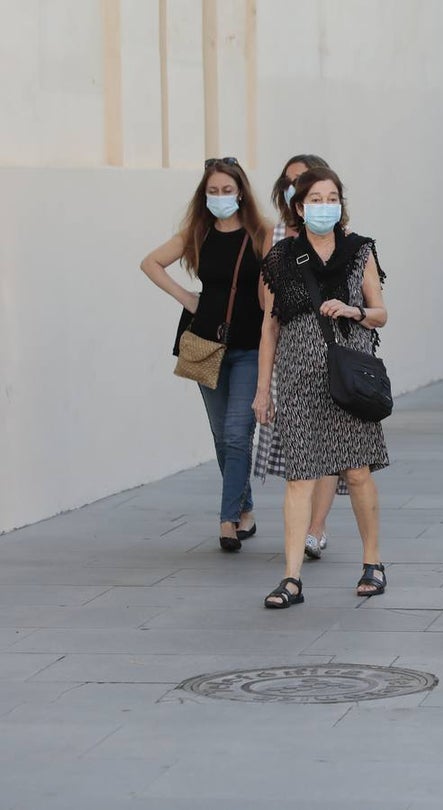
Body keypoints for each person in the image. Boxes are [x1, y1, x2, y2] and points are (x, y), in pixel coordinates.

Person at [254, 166, 390, 608]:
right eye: (315, 199)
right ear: (299, 206)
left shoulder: (360, 251)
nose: (324, 206)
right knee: (300, 477)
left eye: (332, 198)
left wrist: (353, 311)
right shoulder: (280, 258)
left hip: (349, 376)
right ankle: (291, 578)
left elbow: (380, 313)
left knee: (356, 469)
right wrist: (263, 390)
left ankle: (373, 562)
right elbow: (269, 329)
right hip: (297, 377)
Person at [141, 157, 268, 552]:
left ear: (241, 192)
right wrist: (187, 298)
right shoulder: (198, 233)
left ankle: (228, 519)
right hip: (205, 344)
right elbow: (151, 263)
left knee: (237, 433)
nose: (219, 197)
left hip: (249, 347)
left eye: (226, 190)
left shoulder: (260, 234)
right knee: (221, 435)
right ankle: (244, 507)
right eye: (212, 191)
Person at [254, 153, 344, 561]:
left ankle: (316, 527)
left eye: (306, 180)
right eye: (292, 182)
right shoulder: (275, 238)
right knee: (301, 449)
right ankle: (297, 545)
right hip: (290, 356)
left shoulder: (347, 241)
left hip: (334, 355)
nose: (298, 187)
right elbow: (266, 309)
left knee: (329, 447)